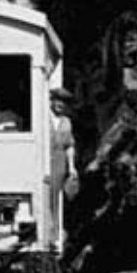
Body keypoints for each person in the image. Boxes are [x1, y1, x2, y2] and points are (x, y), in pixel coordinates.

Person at [49, 87, 78, 246]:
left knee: (56, 198)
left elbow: (69, 145)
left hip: (59, 161)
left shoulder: (66, 122)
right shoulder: (43, 117)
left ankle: (54, 234)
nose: (60, 104)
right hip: (44, 159)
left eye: (64, 102)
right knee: (45, 196)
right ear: (52, 101)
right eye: (58, 100)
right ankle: (45, 232)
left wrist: (72, 167)